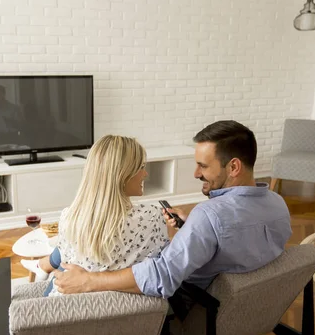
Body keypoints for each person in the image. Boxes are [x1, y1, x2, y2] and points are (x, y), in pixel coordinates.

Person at [52, 121, 292, 314]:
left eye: (203, 166)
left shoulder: (208, 216)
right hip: (249, 308)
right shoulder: (279, 205)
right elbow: (241, 242)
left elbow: (161, 276)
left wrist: (89, 281)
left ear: (233, 167)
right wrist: (192, 229)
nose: (196, 173)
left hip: (200, 307)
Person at [22, 134, 171, 297]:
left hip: (67, 310)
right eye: (141, 167)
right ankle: (42, 266)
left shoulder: (68, 217)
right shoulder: (152, 216)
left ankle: (42, 266)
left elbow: (66, 263)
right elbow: (164, 264)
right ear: (122, 174)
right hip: (131, 313)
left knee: (62, 266)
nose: (145, 174)